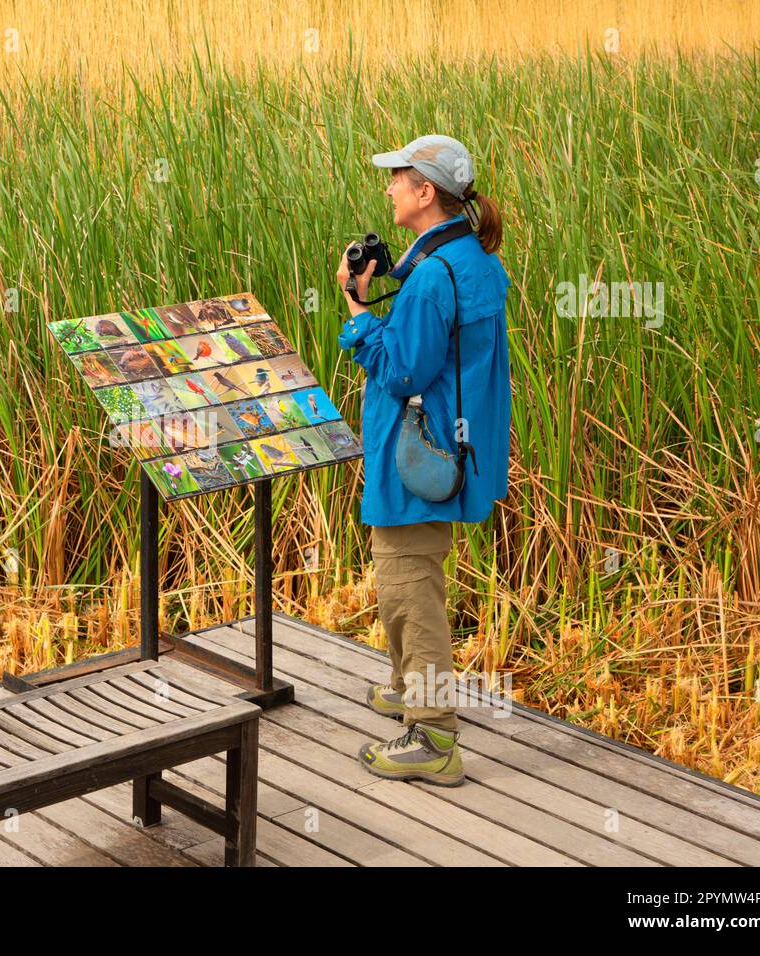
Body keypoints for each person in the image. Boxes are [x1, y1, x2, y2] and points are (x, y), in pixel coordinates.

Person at [335, 134, 511, 787]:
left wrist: (357, 308)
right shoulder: (466, 257)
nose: (388, 189)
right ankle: (413, 686)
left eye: (397, 178)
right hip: (452, 444)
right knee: (408, 574)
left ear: (424, 192)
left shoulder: (435, 276)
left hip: (419, 452)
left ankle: (433, 733)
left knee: (408, 585)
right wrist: (393, 283)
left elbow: (402, 367)